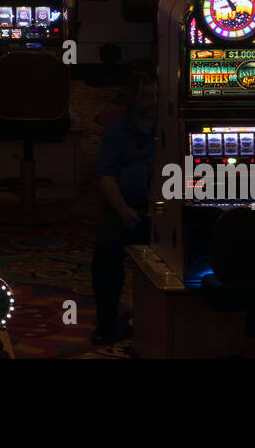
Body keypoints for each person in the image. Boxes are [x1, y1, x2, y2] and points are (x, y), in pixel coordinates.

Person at [90, 66, 157, 345]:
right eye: (144, 96)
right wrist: (121, 208)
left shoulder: (169, 129)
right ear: (130, 96)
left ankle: (161, 322)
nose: (150, 102)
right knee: (106, 256)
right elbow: (105, 176)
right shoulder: (116, 133)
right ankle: (106, 324)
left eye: (155, 96)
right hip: (125, 206)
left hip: (165, 208)